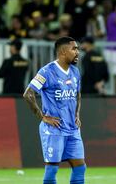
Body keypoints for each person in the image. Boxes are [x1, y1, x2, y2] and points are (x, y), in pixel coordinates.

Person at [23, 37, 86, 184]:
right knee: (52, 169)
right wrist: (43, 117)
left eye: (77, 49)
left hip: (72, 128)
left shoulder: (75, 72)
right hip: (54, 129)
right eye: (74, 49)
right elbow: (28, 94)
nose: (78, 52)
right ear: (63, 52)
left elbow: (77, 94)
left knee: (80, 167)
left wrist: (76, 114)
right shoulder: (47, 71)